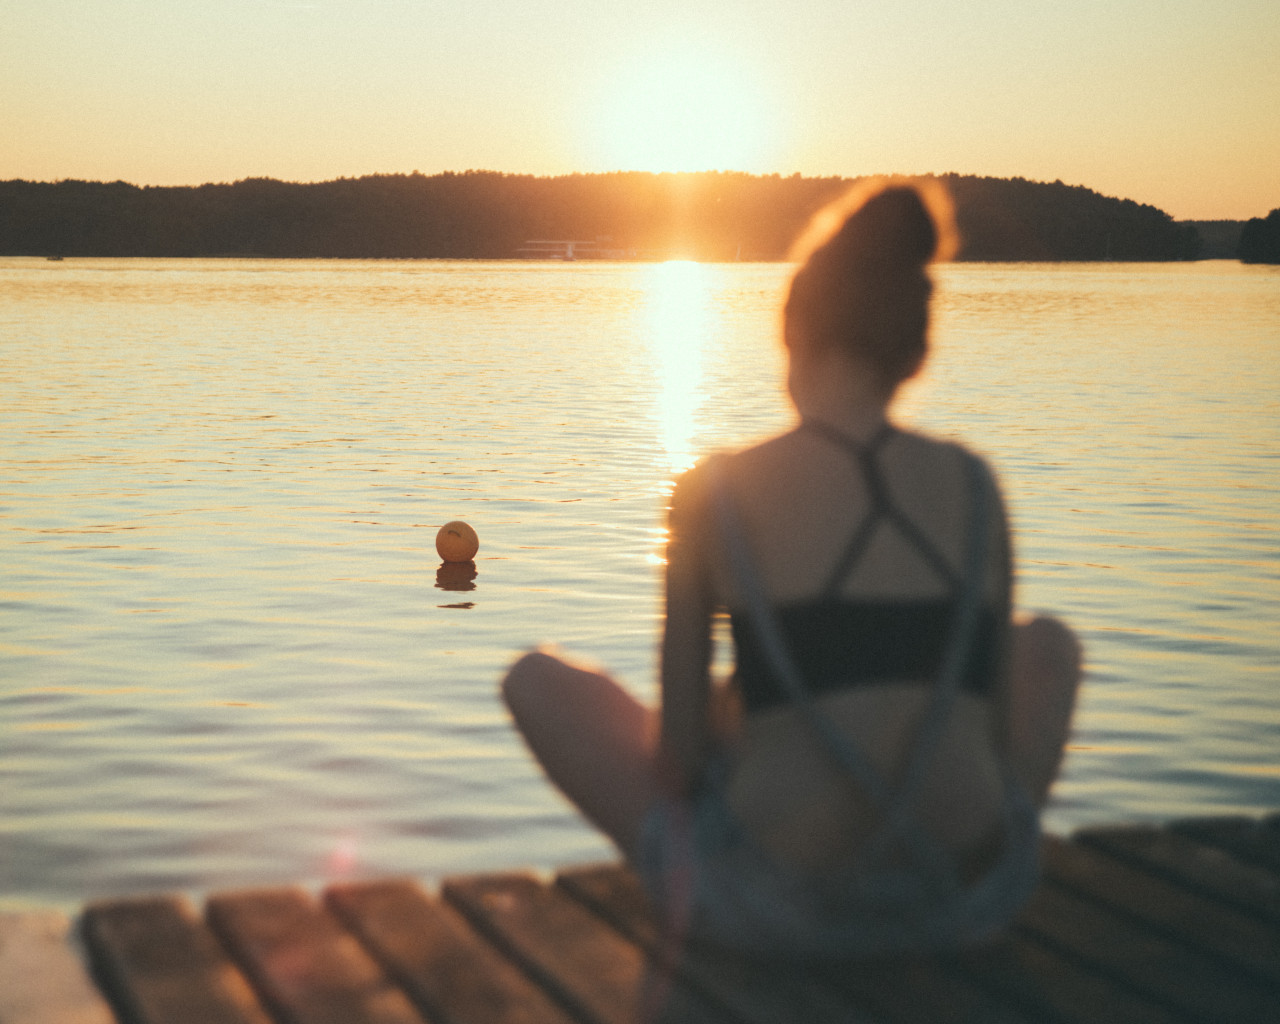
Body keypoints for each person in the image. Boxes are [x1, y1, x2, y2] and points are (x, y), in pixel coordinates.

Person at [502, 179, 1081, 958]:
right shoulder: (975, 485)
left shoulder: (716, 493)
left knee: (538, 681)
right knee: (1049, 644)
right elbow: (995, 734)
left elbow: (675, 769)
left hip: (773, 910)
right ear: (914, 353)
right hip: (964, 901)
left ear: (791, 333)